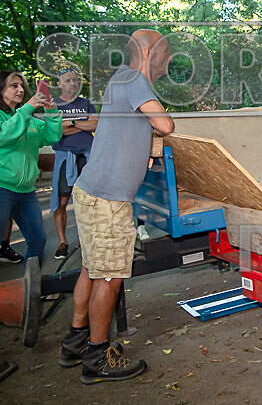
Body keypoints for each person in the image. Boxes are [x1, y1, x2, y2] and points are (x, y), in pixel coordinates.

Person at [62, 30, 174, 384]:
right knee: (109, 278)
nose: (170, 59)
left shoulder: (119, 79)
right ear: (148, 52)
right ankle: (97, 356)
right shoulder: (136, 81)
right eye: (166, 51)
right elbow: (165, 124)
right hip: (108, 201)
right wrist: (158, 129)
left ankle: (76, 340)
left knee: (91, 269)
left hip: (90, 191)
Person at [0, 71, 62, 272]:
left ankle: (31, 286)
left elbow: (51, 136)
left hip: (26, 191)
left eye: (22, 86)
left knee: (38, 241)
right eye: (14, 85)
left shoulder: (24, 116)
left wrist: (51, 110)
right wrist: (28, 108)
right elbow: (3, 134)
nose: (20, 90)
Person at [50, 68, 98, 260]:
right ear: (59, 84)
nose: (72, 83)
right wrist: (80, 124)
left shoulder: (85, 103)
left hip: (87, 157)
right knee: (62, 200)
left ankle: (91, 238)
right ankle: (62, 242)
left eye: (75, 80)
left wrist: (69, 123)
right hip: (65, 158)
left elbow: (95, 125)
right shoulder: (53, 105)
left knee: (90, 198)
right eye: (68, 80)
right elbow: (54, 131)